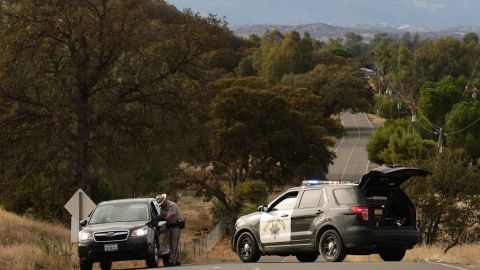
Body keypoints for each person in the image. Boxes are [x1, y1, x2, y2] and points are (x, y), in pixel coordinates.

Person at [156, 194, 183, 266]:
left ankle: (171, 261)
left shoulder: (172, 205)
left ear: (165, 201)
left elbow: (168, 217)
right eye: (160, 204)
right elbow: (164, 216)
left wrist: (161, 217)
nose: (160, 205)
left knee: (174, 244)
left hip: (176, 226)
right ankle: (177, 260)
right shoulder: (162, 207)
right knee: (171, 245)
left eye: (161, 203)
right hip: (169, 226)